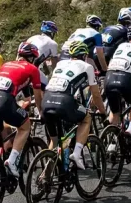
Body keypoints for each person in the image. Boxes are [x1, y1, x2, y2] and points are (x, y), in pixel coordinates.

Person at [0, 43, 45, 177]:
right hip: (4, 101)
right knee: (24, 126)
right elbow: (38, 95)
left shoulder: (7, 64)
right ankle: (12, 160)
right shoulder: (32, 68)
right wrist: (41, 112)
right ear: (31, 58)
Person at [42, 41, 107, 169]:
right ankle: (76, 154)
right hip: (64, 101)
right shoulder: (87, 66)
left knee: (54, 140)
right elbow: (96, 94)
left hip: (46, 100)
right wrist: (103, 111)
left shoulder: (60, 63)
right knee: (86, 118)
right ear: (84, 55)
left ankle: (46, 173)